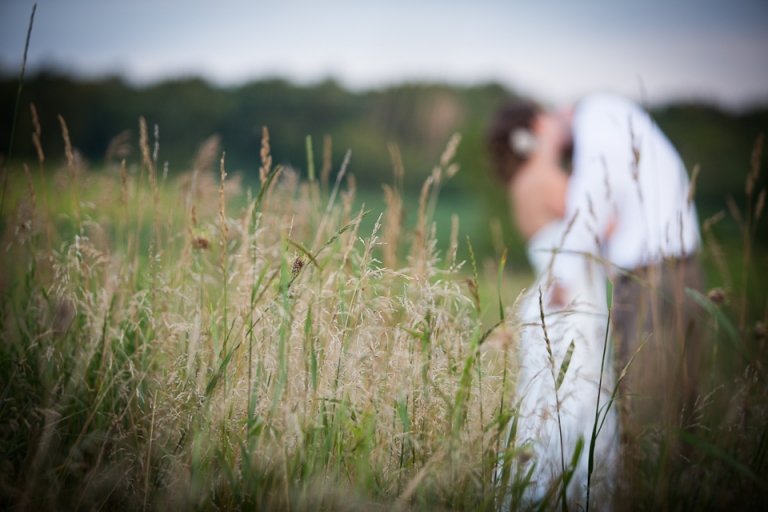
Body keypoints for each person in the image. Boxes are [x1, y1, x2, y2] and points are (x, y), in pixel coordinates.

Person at [487, 92, 703, 506]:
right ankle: (578, 492)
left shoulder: (522, 184)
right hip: (571, 298)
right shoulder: (548, 178)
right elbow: (601, 217)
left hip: (553, 298)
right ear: (536, 130)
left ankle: (542, 487)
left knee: (553, 399)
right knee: (580, 397)